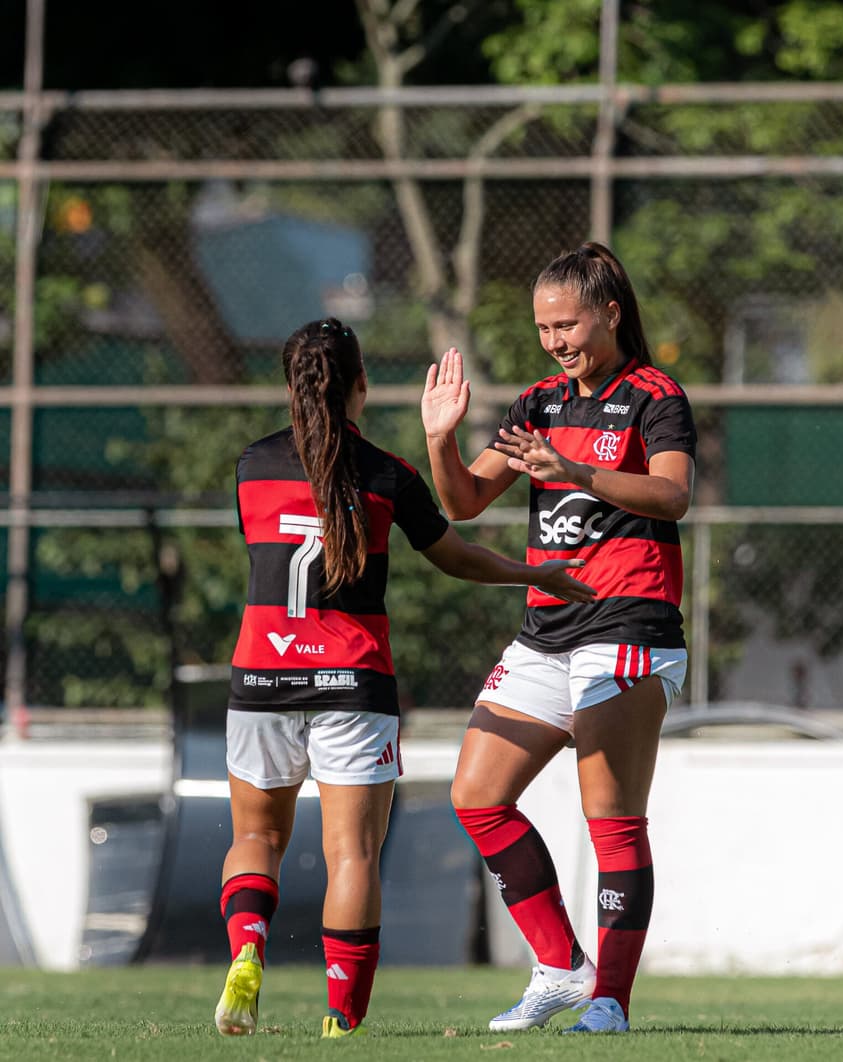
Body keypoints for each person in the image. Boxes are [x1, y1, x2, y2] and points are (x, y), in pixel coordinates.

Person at [213, 317, 597, 1040]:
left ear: (292, 386)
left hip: (261, 678)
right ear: (361, 384)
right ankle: (341, 1017)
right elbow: (457, 556)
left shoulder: (252, 466)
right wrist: (534, 574)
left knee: (256, 837)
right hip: (352, 685)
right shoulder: (388, 474)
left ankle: (248, 950)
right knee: (352, 855)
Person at [420, 242, 697, 1034]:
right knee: (477, 795)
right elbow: (465, 502)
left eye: (567, 325)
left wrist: (574, 471)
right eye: (543, 328)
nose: (555, 342)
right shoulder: (537, 403)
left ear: (609, 313)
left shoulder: (654, 396)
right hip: (547, 632)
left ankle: (610, 1001)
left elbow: (673, 495)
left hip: (628, 623)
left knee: (611, 817)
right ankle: (561, 968)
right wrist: (440, 439)